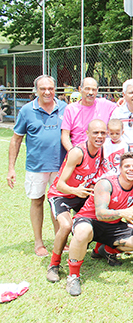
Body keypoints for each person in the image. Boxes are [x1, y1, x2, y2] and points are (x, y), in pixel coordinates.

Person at [65, 152, 133, 296]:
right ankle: (73, 276)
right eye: (127, 166)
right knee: (83, 232)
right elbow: (100, 213)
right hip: (90, 220)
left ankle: (106, 250)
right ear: (120, 168)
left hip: (113, 226)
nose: (131, 169)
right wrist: (121, 213)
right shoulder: (106, 183)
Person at [7, 75, 67, 257]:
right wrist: (11, 168)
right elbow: (16, 139)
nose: (47, 92)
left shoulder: (65, 107)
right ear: (36, 90)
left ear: (55, 88)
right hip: (36, 166)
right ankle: (39, 243)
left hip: (61, 166)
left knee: (59, 204)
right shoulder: (26, 110)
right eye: (43, 89)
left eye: (51, 88)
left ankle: (60, 239)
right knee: (37, 201)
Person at [46, 119, 107, 283]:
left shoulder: (101, 152)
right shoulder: (77, 152)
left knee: (103, 212)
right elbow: (60, 184)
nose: (99, 136)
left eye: (103, 133)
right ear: (87, 134)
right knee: (65, 226)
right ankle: (54, 265)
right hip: (62, 194)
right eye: (95, 132)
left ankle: (101, 249)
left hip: (81, 194)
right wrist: (76, 191)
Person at [61, 77, 116, 150]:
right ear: (80, 89)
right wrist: (73, 154)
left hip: (102, 155)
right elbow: (65, 136)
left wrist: (123, 101)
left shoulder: (105, 104)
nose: (90, 93)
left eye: (93, 90)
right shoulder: (71, 109)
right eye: (87, 89)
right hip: (79, 155)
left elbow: (123, 108)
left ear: (97, 91)